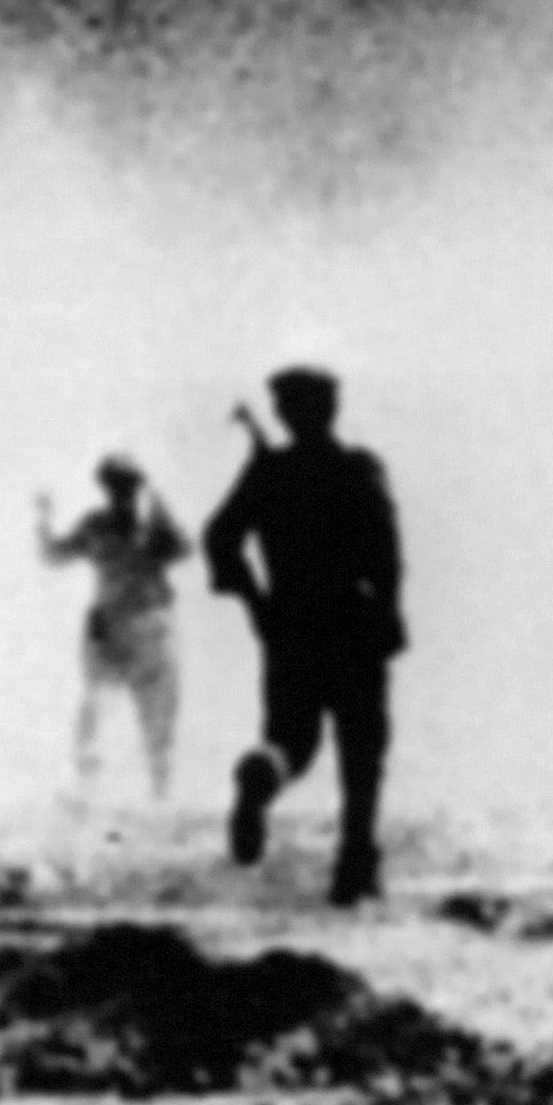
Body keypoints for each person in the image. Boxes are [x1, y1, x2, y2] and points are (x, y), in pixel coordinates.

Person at [204, 365, 405, 904]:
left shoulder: (267, 473)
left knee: (291, 741)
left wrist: (256, 604)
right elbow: (385, 548)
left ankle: (261, 775)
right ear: (331, 409)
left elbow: (219, 538)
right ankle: (353, 866)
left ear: (283, 413)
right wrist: (390, 611)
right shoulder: (359, 468)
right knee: (361, 750)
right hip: (351, 624)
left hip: (290, 625)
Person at [37, 456, 191, 799]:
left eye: (124, 487)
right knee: (97, 709)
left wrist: (162, 513)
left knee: (153, 718)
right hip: (115, 627)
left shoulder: (151, 526)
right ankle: (88, 785)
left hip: (146, 627)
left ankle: (157, 791)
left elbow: (183, 549)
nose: (119, 494)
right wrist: (44, 520)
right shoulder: (98, 525)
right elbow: (53, 554)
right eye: (115, 487)